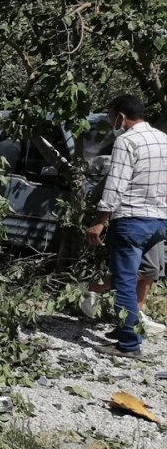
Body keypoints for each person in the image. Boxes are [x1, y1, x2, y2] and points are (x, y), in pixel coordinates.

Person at [85, 94, 167, 358]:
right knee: (145, 272)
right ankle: (125, 329)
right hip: (159, 221)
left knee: (124, 281)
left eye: (111, 116)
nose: (111, 121)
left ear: (120, 116)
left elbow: (116, 185)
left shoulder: (126, 141)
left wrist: (99, 222)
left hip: (131, 220)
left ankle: (128, 345)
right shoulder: (164, 140)